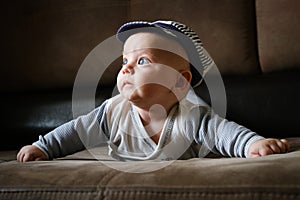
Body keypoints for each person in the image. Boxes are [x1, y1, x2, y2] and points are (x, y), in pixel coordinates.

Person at [17, 20, 289, 162]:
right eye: (125, 61)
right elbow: (76, 131)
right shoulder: (112, 113)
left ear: (180, 81)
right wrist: (42, 147)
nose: (126, 69)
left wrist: (252, 144)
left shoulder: (192, 118)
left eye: (142, 61)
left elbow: (223, 132)